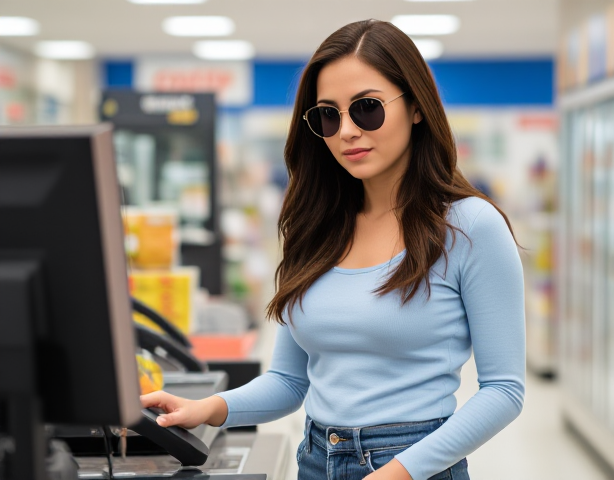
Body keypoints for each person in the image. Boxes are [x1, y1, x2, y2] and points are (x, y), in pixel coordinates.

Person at [141, 19, 525, 480]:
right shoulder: (316, 227)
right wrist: (207, 408)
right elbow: (289, 381)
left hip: (415, 467)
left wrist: (399, 471)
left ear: (417, 107)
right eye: (328, 114)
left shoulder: (468, 227)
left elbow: (504, 389)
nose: (346, 131)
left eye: (366, 108)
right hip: (316, 458)